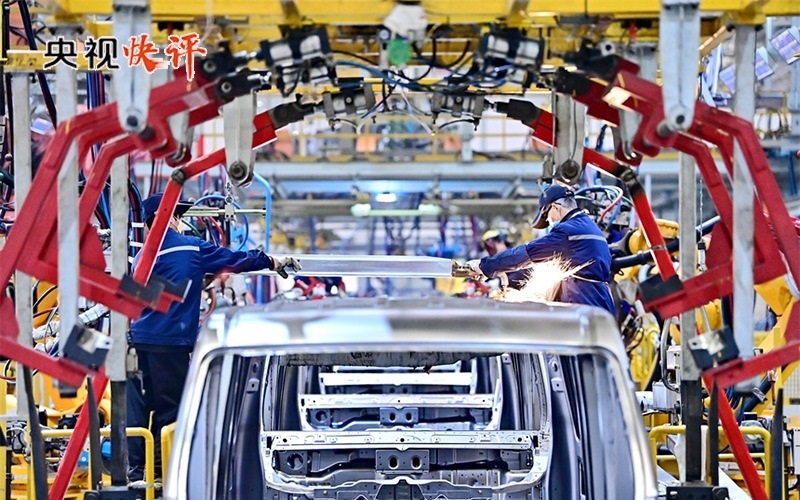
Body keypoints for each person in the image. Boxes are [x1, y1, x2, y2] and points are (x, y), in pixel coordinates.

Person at [126, 193, 301, 483]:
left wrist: (196, 280)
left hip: (136, 341)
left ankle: (135, 475)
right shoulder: (189, 247)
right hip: (169, 344)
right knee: (171, 411)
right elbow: (234, 260)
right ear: (170, 218)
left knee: (138, 410)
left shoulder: (142, 256)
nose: (181, 222)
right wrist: (271, 261)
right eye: (178, 216)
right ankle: (164, 475)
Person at [467, 184, 615, 315]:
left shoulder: (567, 231)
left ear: (555, 207)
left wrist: (484, 266)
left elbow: (526, 254)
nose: (549, 222)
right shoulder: (589, 226)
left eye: (546, 216)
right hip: (600, 302)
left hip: (583, 303)